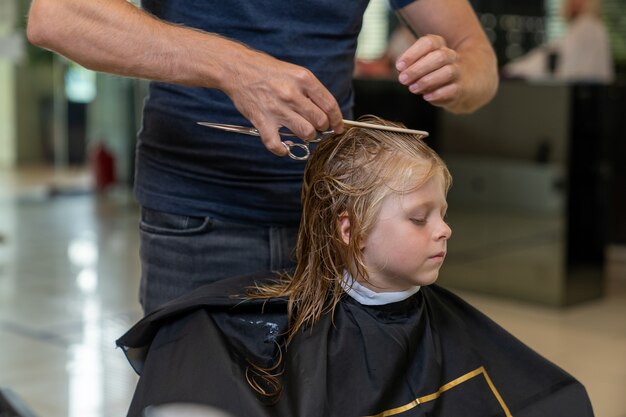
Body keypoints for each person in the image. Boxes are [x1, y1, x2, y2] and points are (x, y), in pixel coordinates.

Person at [26, 1, 498, 314]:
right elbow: (57, 15)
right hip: (196, 221)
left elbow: (478, 57)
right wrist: (234, 67)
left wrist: (460, 75)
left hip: (334, 224)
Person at [117, 117, 594, 417]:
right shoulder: (234, 334)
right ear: (350, 230)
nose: (445, 230)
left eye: (443, 213)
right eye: (418, 218)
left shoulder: (447, 323)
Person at [503, 0, 613, 83]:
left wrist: (512, 70)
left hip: (584, 98)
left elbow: (553, 57)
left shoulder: (586, 25)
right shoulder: (595, 26)